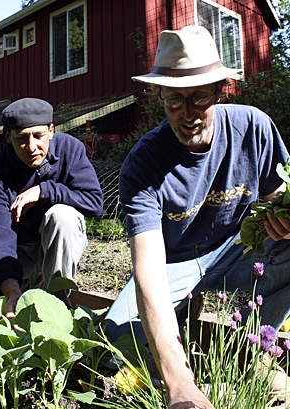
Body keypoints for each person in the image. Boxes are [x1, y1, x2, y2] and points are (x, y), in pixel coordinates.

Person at [105, 26, 290, 408]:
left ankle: (250, 341)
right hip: (174, 264)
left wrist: (285, 220)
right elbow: (149, 269)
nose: (188, 114)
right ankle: (193, 337)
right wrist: (180, 385)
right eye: (174, 100)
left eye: (200, 98)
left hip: (240, 252)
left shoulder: (253, 128)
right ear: (158, 94)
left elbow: (279, 198)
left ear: (221, 90)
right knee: (115, 342)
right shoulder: (143, 164)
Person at [0, 97, 103, 317]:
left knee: (61, 215)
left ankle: (56, 305)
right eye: (21, 138)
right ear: (8, 137)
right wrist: (10, 289)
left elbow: (94, 203)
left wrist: (44, 191)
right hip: (17, 251)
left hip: (57, 245)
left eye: (38, 136)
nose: (31, 147)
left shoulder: (69, 150)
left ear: (51, 131)